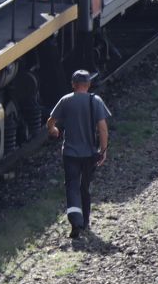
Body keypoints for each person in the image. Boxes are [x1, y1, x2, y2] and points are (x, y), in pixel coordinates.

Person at [46, 69, 112, 242]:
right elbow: (103, 128)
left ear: (73, 85)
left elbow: (50, 121)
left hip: (70, 153)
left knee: (72, 186)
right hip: (90, 153)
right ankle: (85, 222)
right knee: (85, 187)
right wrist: (103, 150)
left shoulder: (66, 100)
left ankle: (76, 221)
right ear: (89, 84)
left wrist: (53, 130)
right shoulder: (95, 100)